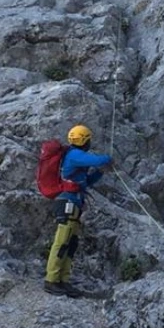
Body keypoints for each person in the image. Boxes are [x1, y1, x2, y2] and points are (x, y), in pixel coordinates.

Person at [45, 124, 112, 298]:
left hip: (73, 203)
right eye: (88, 139)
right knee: (62, 241)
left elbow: (86, 182)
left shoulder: (74, 158)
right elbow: (98, 160)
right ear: (84, 140)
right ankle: (52, 280)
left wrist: (100, 173)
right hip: (68, 203)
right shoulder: (75, 155)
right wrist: (107, 159)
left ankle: (63, 280)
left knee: (71, 243)